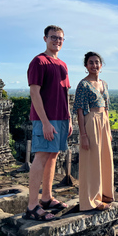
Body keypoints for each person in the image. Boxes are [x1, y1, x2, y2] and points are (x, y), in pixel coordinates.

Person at [23, 25, 72, 221]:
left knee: (53, 156)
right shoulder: (39, 62)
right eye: (53, 37)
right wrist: (44, 122)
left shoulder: (63, 65)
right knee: (41, 156)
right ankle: (32, 206)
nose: (57, 41)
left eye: (60, 38)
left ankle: (46, 198)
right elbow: (34, 92)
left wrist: (68, 119)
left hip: (60, 117)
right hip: (45, 117)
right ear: (45, 38)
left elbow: (66, 93)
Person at [73, 51, 114, 211]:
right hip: (91, 121)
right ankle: (92, 200)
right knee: (92, 160)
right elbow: (80, 111)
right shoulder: (83, 85)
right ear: (86, 66)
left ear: (101, 65)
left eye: (97, 62)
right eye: (91, 62)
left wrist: (108, 129)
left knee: (105, 157)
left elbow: (107, 109)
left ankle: (105, 193)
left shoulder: (104, 84)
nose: (94, 65)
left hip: (103, 121)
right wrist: (83, 135)